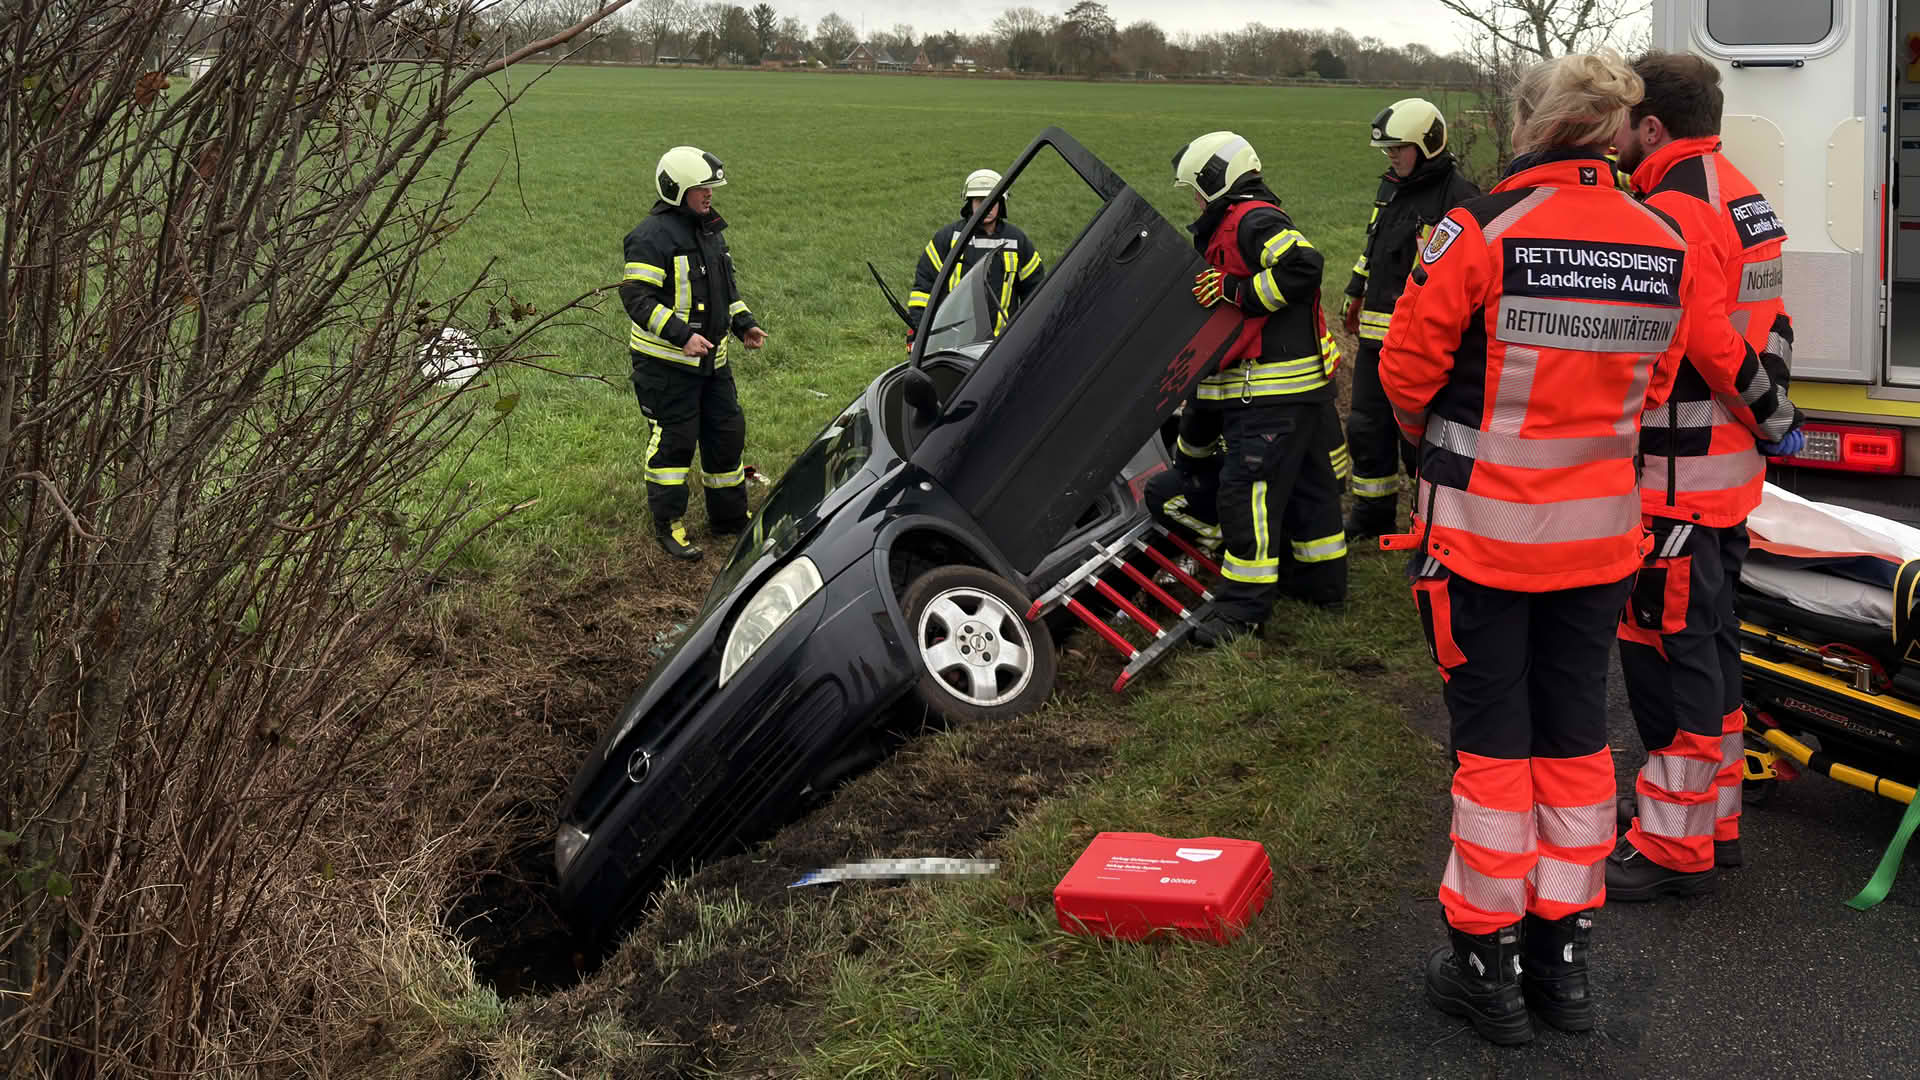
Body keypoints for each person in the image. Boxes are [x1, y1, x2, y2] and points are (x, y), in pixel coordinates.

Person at [1378, 52, 1713, 1044]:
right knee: (1574, 744)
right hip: (1601, 545)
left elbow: (1405, 368)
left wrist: (1428, 441)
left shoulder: (1477, 228)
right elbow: (1654, 390)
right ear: (1617, 131)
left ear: (1530, 122)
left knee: (1491, 752)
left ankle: (1484, 966)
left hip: (1481, 543)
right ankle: (1561, 963)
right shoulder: (1663, 239)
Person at [1606, 51, 1804, 902]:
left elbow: (1712, 344)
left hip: (1676, 483)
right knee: (1713, 651)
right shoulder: (1745, 195)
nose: (1615, 136)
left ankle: (1672, 844)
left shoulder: (1671, 211)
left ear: (1652, 125)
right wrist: (1773, 410)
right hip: (1726, 484)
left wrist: (1768, 411)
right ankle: (1711, 822)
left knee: (1667, 657)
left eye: (1623, 121)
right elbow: (1776, 321)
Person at [1171, 131, 1347, 646]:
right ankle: (1321, 585)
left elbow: (1304, 267)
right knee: (1311, 489)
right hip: (1298, 387)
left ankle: (1241, 611)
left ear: (1217, 179)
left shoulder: (1252, 219)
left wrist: (1237, 291)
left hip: (1267, 390)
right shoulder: (1246, 218)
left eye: (1198, 191)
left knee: (1246, 495)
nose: (1197, 203)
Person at [1338, 98, 1480, 543]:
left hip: (1422, 345)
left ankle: (1431, 520)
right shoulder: (1390, 188)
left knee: (1418, 439)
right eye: (1388, 150)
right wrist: (1354, 291)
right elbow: (1372, 247)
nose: (1392, 156)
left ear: (1428, 144)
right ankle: (1373, 511)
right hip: (1374, 341)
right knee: (1366, 427)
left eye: (1400, 148)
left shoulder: (1460, 198)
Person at [621, 145, 767, 562]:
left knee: (726, 438)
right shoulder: (650, 238)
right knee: (674, 445)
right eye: (702, 188)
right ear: (677, 189)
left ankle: (729, 519)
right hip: (666, 367)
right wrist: (681, 335)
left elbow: (725, 292)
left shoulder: (710, 231)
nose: (709, 196)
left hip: (713, 364)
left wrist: (744, 324)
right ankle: (668, 525)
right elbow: (636, 297)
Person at [907, 169, 1044, 349]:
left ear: (1001, 203)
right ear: (970, 202)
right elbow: (923, 289)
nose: (986, 207)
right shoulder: (948, 239)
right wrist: (920, 329)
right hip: (953, 344)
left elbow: (1035, 291)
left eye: (992, 201)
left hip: (1001, 344)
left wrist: (1028, 333)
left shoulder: (1017, 241)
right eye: (980, 201)